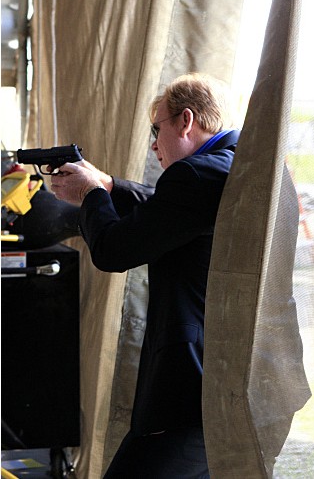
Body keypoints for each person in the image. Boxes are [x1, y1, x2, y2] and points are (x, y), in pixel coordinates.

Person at [50, 73, 240, 478]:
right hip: (223, 374)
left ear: (186, 121)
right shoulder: (233, 164)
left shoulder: (194, 176)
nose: (154, 144)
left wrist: (89, 194)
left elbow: (113, 251)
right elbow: (168, 208)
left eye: (157, 129)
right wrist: (107, 185)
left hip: (189, 386)